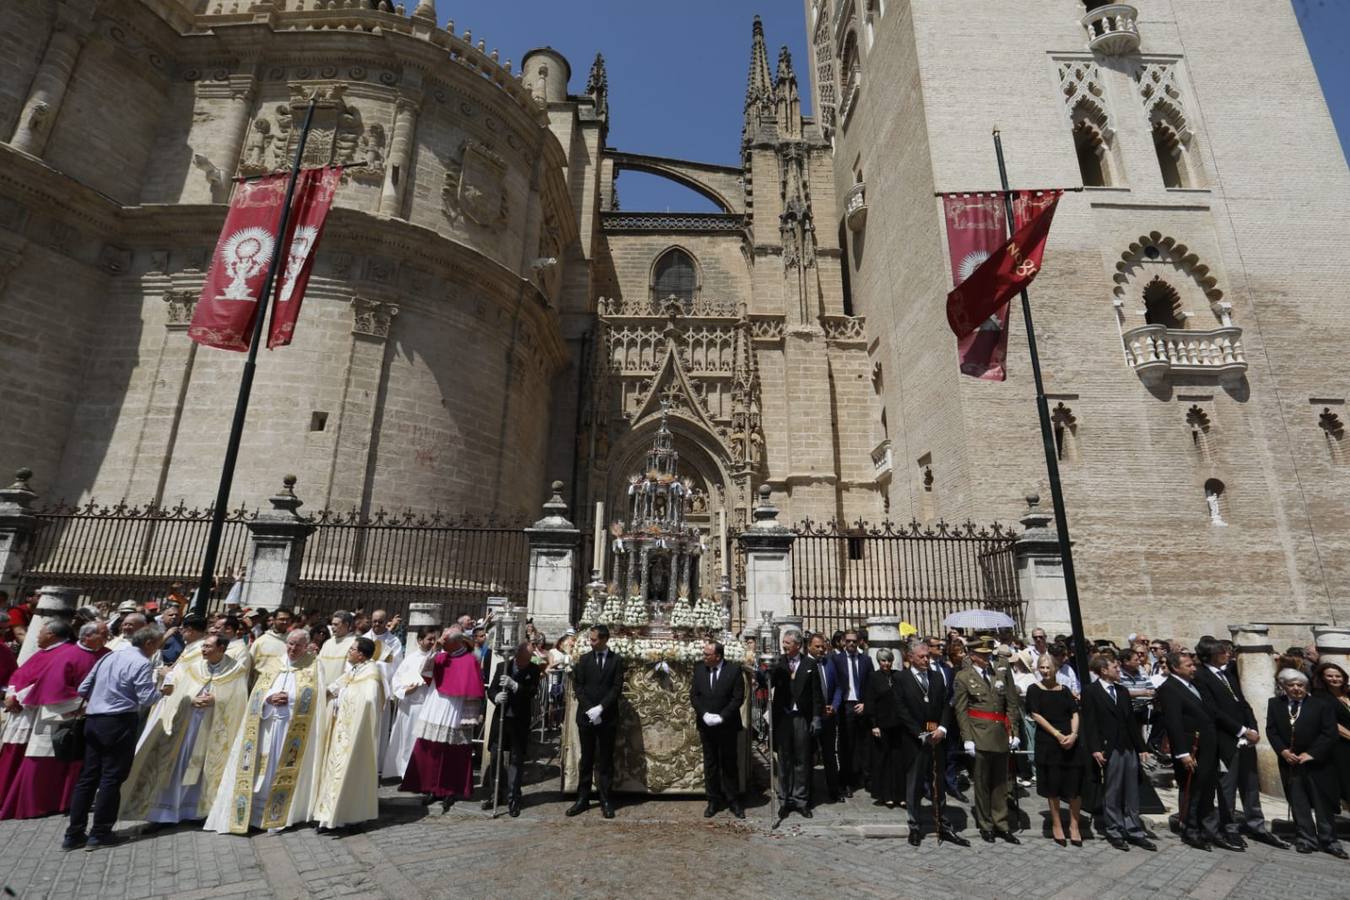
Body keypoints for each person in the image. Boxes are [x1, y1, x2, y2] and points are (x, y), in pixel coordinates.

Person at [206, 629, 325, 834]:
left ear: (306, 646)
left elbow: (317, 698)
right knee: (261, 768)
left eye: (298, 645)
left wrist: (293, 700)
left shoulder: (314, 667)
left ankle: (279, 815)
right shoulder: (274, 665)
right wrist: (269, 699)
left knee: (283, 768)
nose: (292, 649)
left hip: (293, 729)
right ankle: (254, 814)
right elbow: (257, 694)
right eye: (290, 644)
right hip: (267, 726)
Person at [121, 635, 249, 825]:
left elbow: (239, 700)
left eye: (208, 646)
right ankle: (165, 813)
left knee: (206, 767)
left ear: (221, 648)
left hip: (214, 727)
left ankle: (196, 812)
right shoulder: (195, 667)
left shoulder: (236, 670)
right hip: (187, 726)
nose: (203, 649)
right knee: (179, 764)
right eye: (203, 645)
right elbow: (178, 691)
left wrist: (217, 700)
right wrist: (192, 699)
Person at [61, 626, 161, 850]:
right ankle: (100, 832)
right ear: (149, 644)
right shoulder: (142, 662)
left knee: (88, 777)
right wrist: (163, 690)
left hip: (94, 720)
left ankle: (73, 833)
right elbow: (147, 699)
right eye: (157, 644)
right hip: (119, 721)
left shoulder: (109, 656)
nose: (157, 648)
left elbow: (84, 687)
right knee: (111, 778)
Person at [1, 621, 110, 820]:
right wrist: (12, 694)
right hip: (51, 714)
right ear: (87, 636)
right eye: (103, 634)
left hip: (76, 715)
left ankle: (59, 803)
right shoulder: (65, 654)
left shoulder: (102, 654)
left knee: (69, 762)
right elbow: (41, 683)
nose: (107, 637)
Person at [1193, 636, 1286, 849]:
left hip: (1246, 738)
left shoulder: (1228, 674)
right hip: (1226, 739)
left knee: (1250, 784)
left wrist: (1252, 727)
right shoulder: (1201, 676)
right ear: (1211, 655)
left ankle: (1257, 825)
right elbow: (1213, 710)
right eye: (1223, 651)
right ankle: (1230, 827)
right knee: (1228, 788)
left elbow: (1242, 702)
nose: (1228, 654)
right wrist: (1241, 731)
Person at [400, 628, 485, 811]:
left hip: (456, 708)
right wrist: (436, 651)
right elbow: (426, 671)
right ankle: (430, 788)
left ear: (455, 642)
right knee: (431, 749)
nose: (441, 644)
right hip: (435, 704)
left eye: (444, 642)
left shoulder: (470, 660)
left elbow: (474, 689)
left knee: (453, 752)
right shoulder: (440, 656)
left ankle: (449, 790)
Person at [1265, 668, 1347, 858]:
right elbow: (1272, 730)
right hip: (1290, 763)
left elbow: (1329, 733)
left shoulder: (1320, 705)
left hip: (1318, 763)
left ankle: (1329, 841)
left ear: (1306, 686)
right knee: (1298, 801)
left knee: (1322, 803)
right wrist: (1283, 751)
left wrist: (1311, 754)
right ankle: (1306, 838)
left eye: (1300, 685)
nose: (1296, 689)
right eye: (1291, 685)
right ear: (1284, 687)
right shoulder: (1275, 704)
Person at [1156, 650, 1231, 850]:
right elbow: (1174, 723)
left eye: (1192, 665)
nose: (1193, 668)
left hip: (1207, 747)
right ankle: (1191, 830)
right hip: (1191, 749)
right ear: (1175, 668)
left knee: (1207, 790)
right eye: (1188, 666)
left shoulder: (1193, 684)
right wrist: (1182, 753)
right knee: (1193, 791)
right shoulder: (1169, 688)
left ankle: (1210, 830)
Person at [1080, 653, 1155, 851]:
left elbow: (1131, 721)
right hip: (1108, 748)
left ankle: (1134, 829)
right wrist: (1095, 748)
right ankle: (1114, 829)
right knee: (1112, 790)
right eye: (1115, 667)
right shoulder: (1091, 691)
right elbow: (1090, 723)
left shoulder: (1121, 691)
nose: (1118, 670)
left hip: (1127, 746)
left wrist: (1141, 748)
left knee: (1131, 790)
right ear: (1104, 670)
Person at [895, 639, 965, 846]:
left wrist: (943, 728)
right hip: (915, 741)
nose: (926, 660)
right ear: (910, 658)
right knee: (915, 785)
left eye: (927, 656)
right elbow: (901, 709)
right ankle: (914, 826)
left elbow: (945, 704)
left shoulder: (936, 677)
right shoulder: (902, 679)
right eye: (922, 657)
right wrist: (918, 733)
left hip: (936, 739)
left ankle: (943, 824)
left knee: (938, 784)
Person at [312, 636, 385, 831]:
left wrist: (341, 699)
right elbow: (338, 685)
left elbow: (368, 701)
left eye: (351, 650)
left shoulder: (371, 673)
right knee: (334, 771)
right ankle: (328, 816)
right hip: (342, 730)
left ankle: (349, 817)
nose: (348, 653)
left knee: (349, 773)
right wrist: (327, 692)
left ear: (361, 655)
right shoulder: (355, 669)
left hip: (356, 735)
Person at [954, 635, 1021, 844]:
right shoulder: (963, 677)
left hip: (1001, 732)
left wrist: (1015, 732)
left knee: (1001, 782)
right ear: (973, 656)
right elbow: (961, 710)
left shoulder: (999, 672)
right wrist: (967, 738)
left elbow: (1011, 702)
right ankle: (986, 824)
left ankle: (1002, 823)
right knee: (982, 783)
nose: (986, 657)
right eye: (982, 654)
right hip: (979, 734)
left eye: (987, 654)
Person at [1027, 652, 1085, 847]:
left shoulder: (1065, 690)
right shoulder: (1034, 689)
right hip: (1049, 740)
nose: (1045, 671)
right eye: (1041, 667)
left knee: (1074, 785)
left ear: (1055, 669)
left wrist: (1073, 734)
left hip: (1070, 739)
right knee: (1053, 785)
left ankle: (1075, 825)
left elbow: (1074, 713)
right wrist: (1057, 734)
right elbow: (1036, 714)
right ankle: (1057, 823)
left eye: (1048, 667)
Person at [566, 624, 625, 819]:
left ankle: (605, 798)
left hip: (607, 717)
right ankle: (582, 798)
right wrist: (590, 708)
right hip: (586, 716)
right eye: (590, 639)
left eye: (594, 639)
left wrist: (601, 708)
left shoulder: (616, 660)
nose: (591, 643)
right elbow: (578, 685)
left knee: (606, 760)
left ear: (605, 639)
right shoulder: (584, 660)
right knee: (587, 759)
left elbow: (616, 687)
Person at [484, 640, 543, 817]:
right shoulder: (503, 666)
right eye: (529, 651)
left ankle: (514, 798)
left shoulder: (533, 669)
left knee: (516, 760)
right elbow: (491, 689)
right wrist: (496, 696)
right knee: (496, 755)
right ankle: (496, 794)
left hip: (518, 720)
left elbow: (532, 691)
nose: (532, 654)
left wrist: (515, 685)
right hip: (501, 720)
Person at [690, 639, 745, 819]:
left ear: (718, 656)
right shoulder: (699, 669)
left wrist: (722, 716)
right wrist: (704, 714)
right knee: (711, 763)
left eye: (707, 654)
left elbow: (737, 698)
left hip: (727, 724)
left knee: (729, 763)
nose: (704, 657)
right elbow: (694, 695)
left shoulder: (734, 670)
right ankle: (713, 800)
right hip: (706, 725)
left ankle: (733, 799)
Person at [770, 627, 821, 820]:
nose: (784, 646)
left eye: (787, 643)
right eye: (784, 642)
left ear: (798, 645)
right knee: (784, 760)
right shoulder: (779, 663)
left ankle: (801, 800)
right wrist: (765, 671)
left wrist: (816, 717)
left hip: (802, 718)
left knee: (802, 760)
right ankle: (784, 800)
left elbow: (817, 694)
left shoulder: (810, 664)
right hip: (783, 718)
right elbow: (768, 682)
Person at [383, 626, 437, 780]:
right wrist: (406, 691)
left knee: (423, 744)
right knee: (407, 742)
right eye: (429, 639)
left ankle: (422, 776)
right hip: (409, 707)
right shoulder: (410, 659)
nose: (432, 642)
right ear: (420, 640)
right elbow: (397, 680)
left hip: (427, 708)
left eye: (434, 639)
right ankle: (406, 774)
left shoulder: (437, 658)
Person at [832, 629, 873, 798]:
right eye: (848, 641)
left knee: (864, 744)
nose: (851, 644)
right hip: (844, 706)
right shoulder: (836, 659)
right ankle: (846, 781)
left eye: (854, 641)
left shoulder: (866, 660)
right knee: (846, 745)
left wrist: (866, 704)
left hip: (861, 705)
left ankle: (864, 777)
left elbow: (871, 685)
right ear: (843, 641)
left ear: (859, 642)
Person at [862, 647, 903, 808]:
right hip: (882, 724)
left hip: (897, 724)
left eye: (889, 660)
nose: (886, 663)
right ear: (879, 662)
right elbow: (870, 702)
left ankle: (899, 794)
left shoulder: (898, 676)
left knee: (898, 760)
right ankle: (885, 794)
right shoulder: (873, 678)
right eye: (883, 660)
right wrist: (874, 725)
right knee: (883, 760)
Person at [807, 633, 842, 803]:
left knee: (830, 755)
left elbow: (838, 687)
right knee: (809, 755)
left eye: (823, 646)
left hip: (829, 716)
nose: (821, 649)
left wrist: (834, 706)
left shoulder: (830, 663)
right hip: (812, 717)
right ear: (809, 647)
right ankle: (809, 792)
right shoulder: (805, 664)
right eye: (817, 646)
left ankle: (834, 790)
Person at [1310, 661, 1350, 810]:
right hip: (1341, 747)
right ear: (1322, 678)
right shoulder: (1320, 697)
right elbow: (1332, 724)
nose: (1334, 679)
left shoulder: (1348, 692)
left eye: (1338, 676)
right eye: (1330, 676)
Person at [317, 611, 361, 685]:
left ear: (346, 625)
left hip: (339, 692)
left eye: (336, 624)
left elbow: (351, 671)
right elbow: (319, 666)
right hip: (322, 689)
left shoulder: (354, 643)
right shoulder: (327, 643)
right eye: (332, 624)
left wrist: (333, 689)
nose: (332, 627)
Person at [249, 607, 291, 673]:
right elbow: (250, 664)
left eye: (287, 619)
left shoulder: (293, 640)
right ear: (274, 620)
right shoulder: (261, 641)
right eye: (281, 619)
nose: (285, 622)